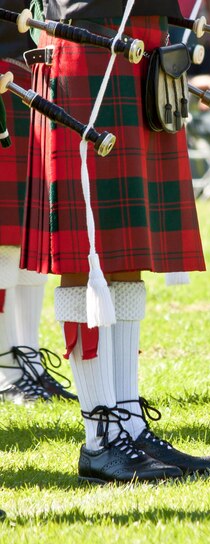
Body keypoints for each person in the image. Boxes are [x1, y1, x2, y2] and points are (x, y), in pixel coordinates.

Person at [21, 0, 210, 482]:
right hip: (86, 37)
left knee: (127, 251)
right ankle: (100, 437)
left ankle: (127, 422)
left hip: (146, 38)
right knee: (85, 250)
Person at [0, 0, 76, 405]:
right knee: (4, 240)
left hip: (27, 73)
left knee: (29, 236)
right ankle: (6, 370)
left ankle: (26, 357)